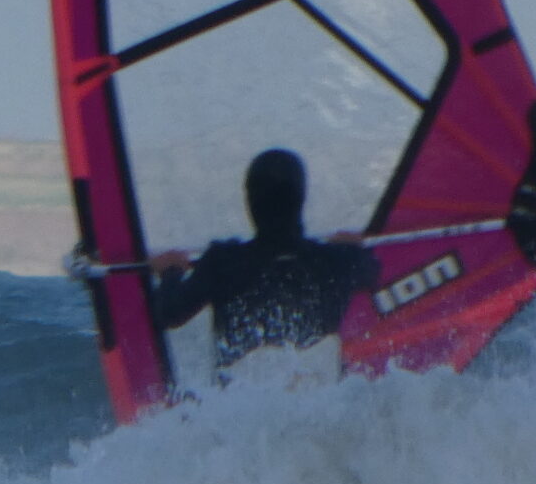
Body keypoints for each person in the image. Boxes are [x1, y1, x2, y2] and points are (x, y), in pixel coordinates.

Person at [145, 148, 376, 370]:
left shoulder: (223, 263)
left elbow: (170, 313)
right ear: (302, 197)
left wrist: (170, 272)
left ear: (250, 201)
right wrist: (355, 249)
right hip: (324, 394)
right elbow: (373, 272)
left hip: (242, 394)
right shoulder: (339, 261)